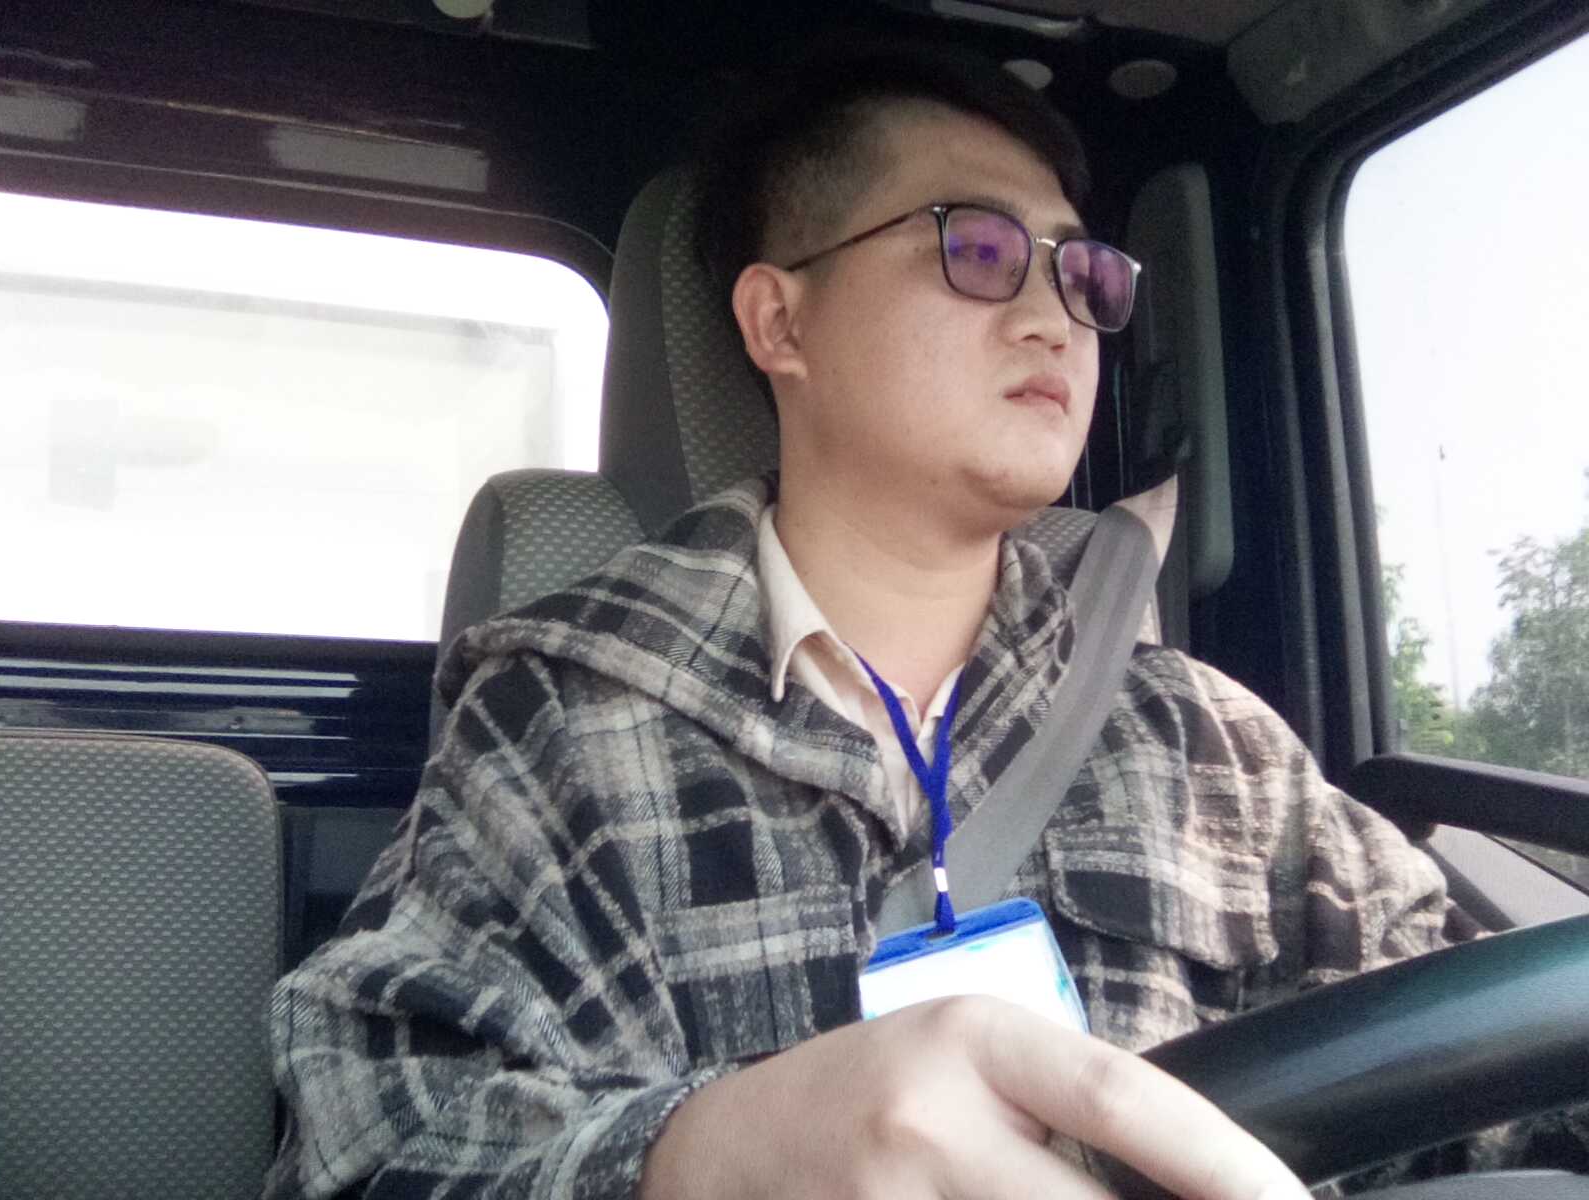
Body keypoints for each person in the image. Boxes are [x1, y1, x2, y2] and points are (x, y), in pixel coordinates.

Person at [264, 48, 1468, 1200]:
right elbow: (370, 1149)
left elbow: (1472, 1052)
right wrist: (702, 1158)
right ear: (780, 323)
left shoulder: (1204, 741)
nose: (1055, 318)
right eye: (979, 249)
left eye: (1083, 275)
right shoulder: (559, 722)